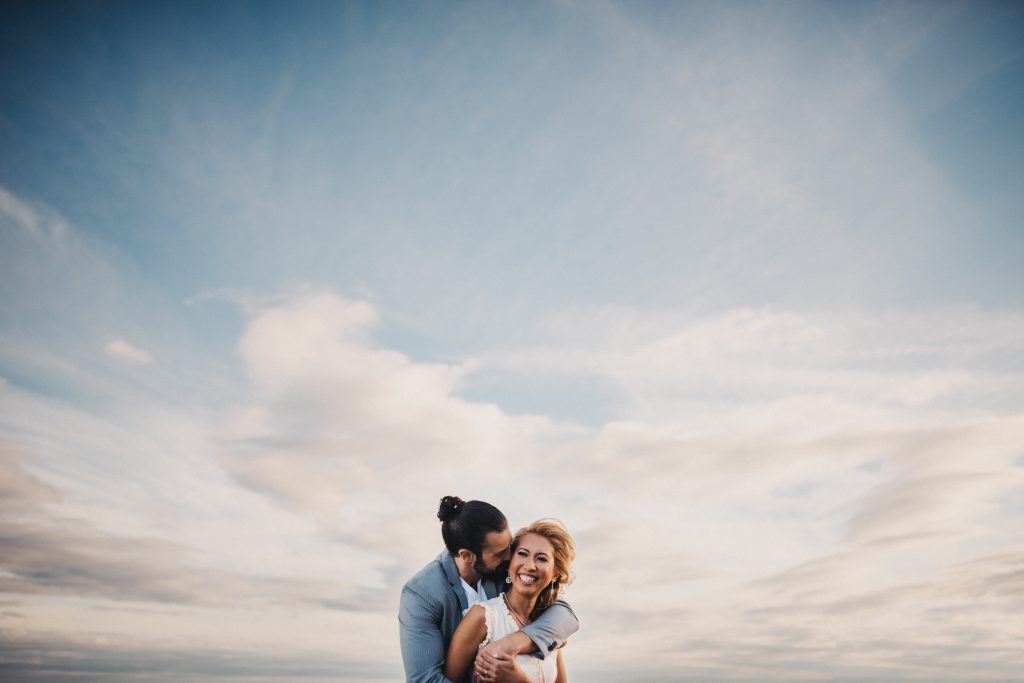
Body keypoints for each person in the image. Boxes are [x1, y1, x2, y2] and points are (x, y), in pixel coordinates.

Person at [399, 497, 579, 683]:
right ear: (467, 556)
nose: (511, 557)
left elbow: (563, 615)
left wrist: (516, 642)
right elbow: (425, 679)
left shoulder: (506, 571)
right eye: (501, 553)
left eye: (510, 547)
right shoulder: (421, 594)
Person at [444, 519, 575, 683]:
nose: (530, 565)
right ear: (509, 562)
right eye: (522, 554)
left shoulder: (548, 628)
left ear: (555, 573)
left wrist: (520, 680)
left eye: (541, 558)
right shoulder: (483, 617)